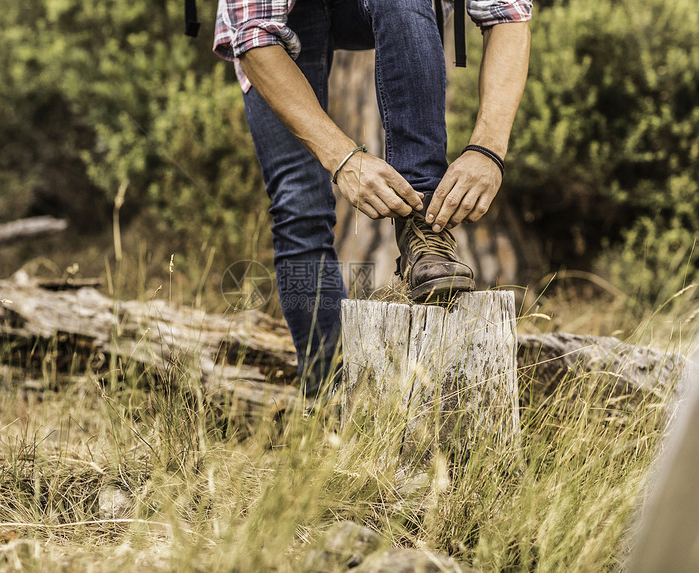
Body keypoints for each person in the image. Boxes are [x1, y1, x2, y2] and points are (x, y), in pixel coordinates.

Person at [213, 0, 532, 396]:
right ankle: (330, 404)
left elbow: (508, 14)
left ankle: (423, 228)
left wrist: (488, 150)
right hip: (277, 24)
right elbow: (255, 34)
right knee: (299, 205)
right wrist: (342, 158)